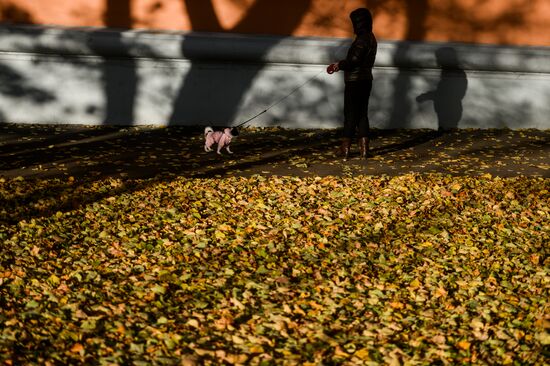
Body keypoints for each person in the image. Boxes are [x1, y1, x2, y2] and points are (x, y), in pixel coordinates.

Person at [327, 8, 377, 160]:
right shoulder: (371, 38)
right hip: (366, 80)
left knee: (350, 114)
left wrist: (338, 65)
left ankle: (345, 149)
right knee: (362, 114)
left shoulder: (361, 40)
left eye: (354, 22)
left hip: (354, 82)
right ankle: (364, 150)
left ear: (358, 23)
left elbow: (354, 61)